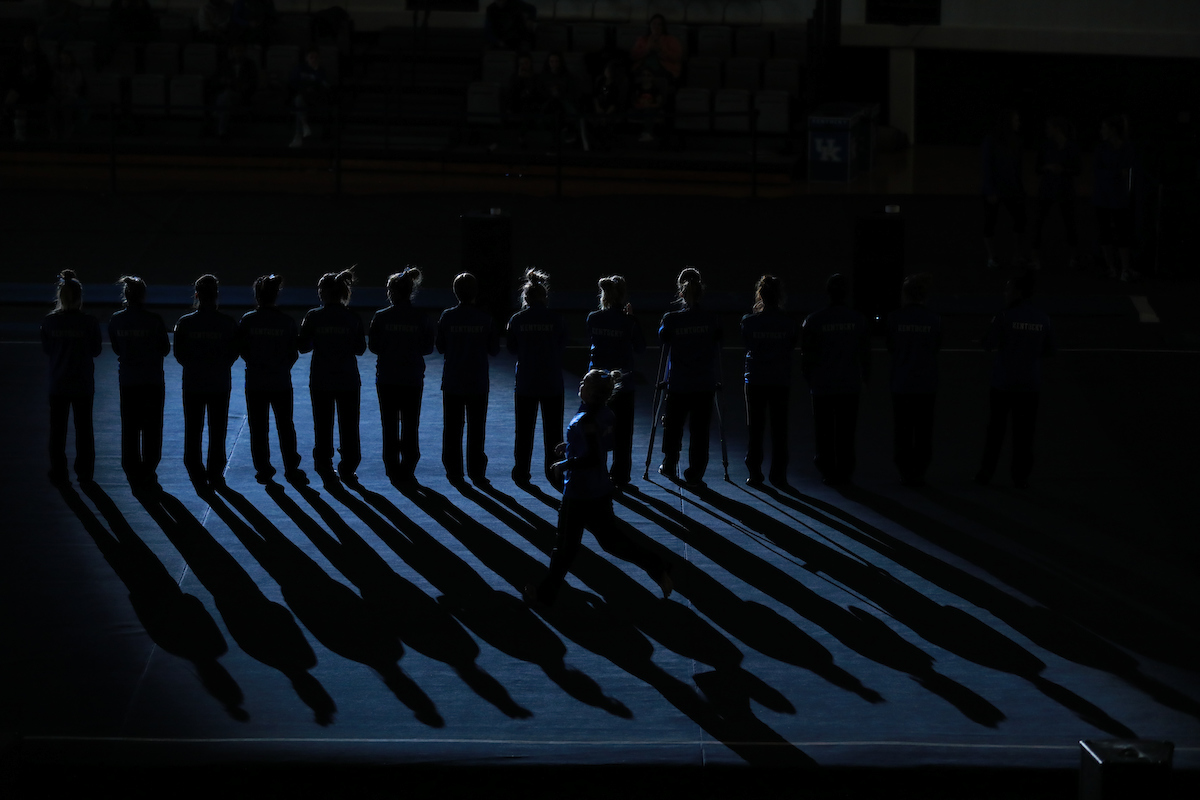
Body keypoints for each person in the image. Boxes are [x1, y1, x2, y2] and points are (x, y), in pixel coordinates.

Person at [524, 369, 674, 608]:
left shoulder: (585, 420)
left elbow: (592, 456)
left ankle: (544, 595)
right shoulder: (606, 414)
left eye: (583, 381)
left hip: (579, 493)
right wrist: (572, 445)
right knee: (611, 542)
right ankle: (658, 565)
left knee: (565, 549)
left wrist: (565, 463)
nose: (580, 383)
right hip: (600, 489)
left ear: (590, 391)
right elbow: (606, 445)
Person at [975, 271, 1056, 489]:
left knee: (996, 431)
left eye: (1008, 288)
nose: (1005, 292)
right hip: (1030, 384)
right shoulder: (1042, 318)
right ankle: (1020, 476)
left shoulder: (1004, 316)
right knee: (1025, 433)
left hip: (1003, 382)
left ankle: (986, 472)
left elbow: (987, 343)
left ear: (1018, 292)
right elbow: (1049, 350)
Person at [800, 273, 870, 486]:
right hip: (849, 384)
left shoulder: (814, 320)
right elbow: (864, 353)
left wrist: (809, 378)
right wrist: (865, 377)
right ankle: (845, 471)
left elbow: (807, 354)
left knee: (824, 431)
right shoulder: (858, 319)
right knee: (846, 431)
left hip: (822, 385)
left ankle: (827, 470)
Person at [368, 267, 436, 484]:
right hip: (412, 378)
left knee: (389, 424)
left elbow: (374, 346)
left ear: (394, 292)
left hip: (387, 378)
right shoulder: (421, 317)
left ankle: (392, 466)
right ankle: (409, 465)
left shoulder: (381, 317)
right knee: (410, 424)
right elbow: (427, 348)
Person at [237, 274, 306, 485]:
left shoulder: (248, 321)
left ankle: (263, 469)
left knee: (258, 427)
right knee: (285, 425)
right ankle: (291, 467)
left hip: (256, 381)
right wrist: (282, 367)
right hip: (280, 381)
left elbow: (242, 349)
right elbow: (293, 352)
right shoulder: (286, 321)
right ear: (276, 295)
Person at [298, 268, 365, 485]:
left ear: (324, 293)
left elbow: (304, 347)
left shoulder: (314, 316)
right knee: (349, 425)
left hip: (322, 379)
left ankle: (325, 466)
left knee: (323, 424)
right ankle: (348, 467)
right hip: (347, 378)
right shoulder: (352, 317)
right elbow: (360, 348)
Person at [658, 267, 722, 488]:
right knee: (700, 430)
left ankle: (669, 462)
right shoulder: (711, 319)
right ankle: (696, 472)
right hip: (703, 383)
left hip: (679, 383)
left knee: (673, 426)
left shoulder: (671, 319)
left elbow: (663, 338)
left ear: (681, 293)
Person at [173, 274, 239, 488]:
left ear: (197, 295)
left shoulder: (185, 323)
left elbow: (179, 353)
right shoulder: (227, 323)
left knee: (193, 428)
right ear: (216, 296)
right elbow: (233, 352)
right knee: (217, 428)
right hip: (219, 382)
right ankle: (215, 470)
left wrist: (195, 366)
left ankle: (195, 469)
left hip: (193, 382)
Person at [108, 275, 171, 490]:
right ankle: (149, 468)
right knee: (152, 428)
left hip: (129, 380)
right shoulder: (154, 320)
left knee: (130, 427)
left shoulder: (117, 320)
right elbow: (164, 348)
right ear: (143, 296)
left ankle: (132, 470)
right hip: (152, 380)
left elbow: (117, 348)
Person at [437, 272, 500, 484]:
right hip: (477, 380)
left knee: (453, 428)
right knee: (476, 427)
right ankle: (476, 470)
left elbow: (440, 346)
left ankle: (454, 470)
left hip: (454, 379)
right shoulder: (485, 319)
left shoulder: (447, 316)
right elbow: (493, 350)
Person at [41, 269, 102, 486]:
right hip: (82, 383)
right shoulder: (89, 322)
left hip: (58, 383)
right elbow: (96, 350)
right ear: (79, 297)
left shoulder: (49, 322)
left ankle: (59, 471)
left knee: (57, 431)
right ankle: (85, 472)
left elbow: (47, 349)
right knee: (84, 430)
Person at [506, 268, 566, 485]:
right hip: (551, 381)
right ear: (545, 296)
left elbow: (512, 349)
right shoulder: (556, 319)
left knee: (523, 430)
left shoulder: (516, 319)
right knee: (554, 432)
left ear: (526, 297)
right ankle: (554, 472)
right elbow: (562, 346)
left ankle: (522, 471)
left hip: (526, 382)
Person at [585, 274, 644, 489]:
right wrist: (632, 319)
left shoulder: (593, 318)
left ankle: (595, 472)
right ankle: (620, 476)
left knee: (595, 430)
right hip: (622, 384)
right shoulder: (628, 322)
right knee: (623, 432)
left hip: (597, 384)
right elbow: (640, 347)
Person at [739, 274, 798, 488]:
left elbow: (747, 344)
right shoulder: (788, 323)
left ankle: (755, 472)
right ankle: (779, 474)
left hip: (755, 378)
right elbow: (791, 345)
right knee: (779, 429)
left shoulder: (748, 322)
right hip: (779, 379)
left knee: (755, 428)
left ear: (760, 295)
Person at [886, 273, 942, 487]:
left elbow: (892, 347)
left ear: (905, 294)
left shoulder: (894, 318)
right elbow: (936, 347)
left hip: (901, 382)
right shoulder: (934, 319)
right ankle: (920, 470)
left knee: (903, 429)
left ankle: (904, 470)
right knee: (923, 429)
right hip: (926, 382)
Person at [1030, 116, 1081, 272]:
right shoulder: (1046, 146)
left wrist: (1062, 170)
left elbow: (1078, 169)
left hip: (1063, 190)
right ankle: (1035, 258)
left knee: (1069, 224)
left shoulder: (1070, 147)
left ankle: (1074, 258)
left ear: (1056, 129)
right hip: (1048, 189)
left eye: (1049, 127)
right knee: (1038, 224)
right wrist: (1048, 167)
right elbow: (1037, 168)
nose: (1046, 130)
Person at [1093, 115, 1138, 281]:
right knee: (1108, 232)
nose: (1101, 131)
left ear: (1112, 130)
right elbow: (1101, 171)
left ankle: (1122, 268)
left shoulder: (1125, 148)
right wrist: (1115, 173)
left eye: (1104, 128)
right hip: (1106, 195)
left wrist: (1110, 174)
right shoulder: (1103, 148)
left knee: (1121, 232)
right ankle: (1113, 267)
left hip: (1115, 195)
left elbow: (1121, 170)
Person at [982, 109, 1028, 270]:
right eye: (1016, 120)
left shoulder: (1015, 141)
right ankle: (992, 256)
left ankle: (1014, 254)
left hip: (1010, 187)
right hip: (998, 187)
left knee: (1019, 219)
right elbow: (987, 167)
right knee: (990, 222)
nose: (1018, 123)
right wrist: (989, 190)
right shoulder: (993, 140)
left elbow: (1017, 167)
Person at [2, 34, 54, 142]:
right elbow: (10, 75)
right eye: (26, 42)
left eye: (31, 42)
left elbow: (46, 76)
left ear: (35, 44)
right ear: (23, 43)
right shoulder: (17, 57)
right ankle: (18, 133)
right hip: (20, 90)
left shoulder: (41, 57)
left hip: (37, 90)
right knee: (17, 102)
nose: (29, 44)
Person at [211, 41, 258, 139]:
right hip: (226, 93)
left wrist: (239, 86)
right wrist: (224, 82)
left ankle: (217, 112)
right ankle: (222, 132)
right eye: (236, 51)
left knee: (225, 98)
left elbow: (252, 82)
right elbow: (217, 79)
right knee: (225, 99)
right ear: (232, 52)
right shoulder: (225, 64)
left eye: (241, 51)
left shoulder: (250, 65)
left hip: (242, 95)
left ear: (245, 52)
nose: (239, 53)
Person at [289, 46, 331, 148]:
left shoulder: (321, 71)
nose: (314, 59)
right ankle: (302, 129)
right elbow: (293, 83)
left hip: (317, 98)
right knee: (298, 100)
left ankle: (300, 133)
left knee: (300, 104)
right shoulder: (300, 69)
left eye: (316, 57)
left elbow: (325, 86)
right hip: (303, 97)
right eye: (311, 57)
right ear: (306, 58)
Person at [630, 14, 682, 84]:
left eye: (659, 24)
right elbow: (633, 56)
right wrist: (647, 49)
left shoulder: (671, 40)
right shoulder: (642, 40)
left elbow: (676, 57)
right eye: (654, 24)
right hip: (643, 69)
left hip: (664, 70)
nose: (656, 27)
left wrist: (660, 50)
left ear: (663, 27)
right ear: (650, 25)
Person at [48, 48, 87, 141]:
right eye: (62, 59)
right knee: (50, 104)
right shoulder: (56, 70)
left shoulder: (76, 70)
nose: (64, 61)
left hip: (71, 95)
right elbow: (53, 85)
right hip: (58, 95)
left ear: (71, 59)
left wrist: (68, 88)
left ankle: (67, 132)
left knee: (67, 105)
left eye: (67, 58)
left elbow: (78, 85)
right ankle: (53, 131)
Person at [628, 68, 662, 143]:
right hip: (639, 110)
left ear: (652, 77)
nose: (646, 77)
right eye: (644, 75)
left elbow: (659, 104)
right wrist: (639, 105)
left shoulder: (655, 89)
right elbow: (633, 101)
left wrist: (649, 106)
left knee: (648, 111)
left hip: (650, 110)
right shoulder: (637, 87)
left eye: (648, 75)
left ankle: (647, 133)